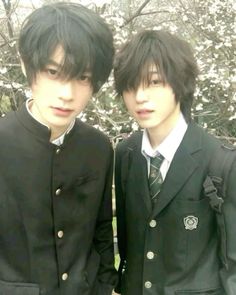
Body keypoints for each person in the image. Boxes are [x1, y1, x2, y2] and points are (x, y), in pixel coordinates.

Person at [0, 2, 117, 295]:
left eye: (82, 77)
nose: (67, 94)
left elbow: (102, 230)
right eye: (53, 72)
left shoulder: (99, 147)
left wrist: (104, 286)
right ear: (27, 65)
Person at [113, 30, 236, 295]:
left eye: (155, 82)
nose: (140, 96)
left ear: (180, 82)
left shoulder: (222, 161)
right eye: (130, 85)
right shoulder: (126, 153)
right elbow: (127, 244)